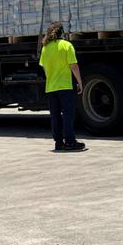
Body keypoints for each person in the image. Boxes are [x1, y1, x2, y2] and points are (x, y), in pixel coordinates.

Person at [38, 22, 86, 152]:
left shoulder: (45, 48)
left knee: (55, 116)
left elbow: (45, 69)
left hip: (51, 87)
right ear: (62, 33)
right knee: (68, 115)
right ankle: (70, 141)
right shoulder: (66, 45)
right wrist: (80, 82)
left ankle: (58, 143)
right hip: (65, 86)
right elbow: (73, 66)